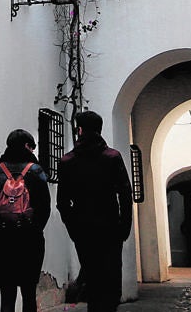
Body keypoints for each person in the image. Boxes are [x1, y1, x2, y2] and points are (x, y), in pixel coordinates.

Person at [57, 111, 133, 312]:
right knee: (110, 280)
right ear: (99, 130)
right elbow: (125, 194)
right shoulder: (112, 157)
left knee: (92, 278)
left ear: (79, 130)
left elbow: (63, 202)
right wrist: (124, 227)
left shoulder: (67, 161)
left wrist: (73, 228)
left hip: (83, 229)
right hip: (110, 227)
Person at [0, 129, 51, 312]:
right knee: (29, 293)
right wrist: (35, 229)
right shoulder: (36, 172)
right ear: (27, 146)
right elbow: (45, 208)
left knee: (6, 296)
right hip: (29, 239)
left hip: (2, 239)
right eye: (32, 147)